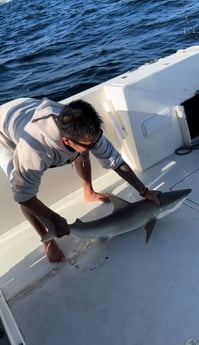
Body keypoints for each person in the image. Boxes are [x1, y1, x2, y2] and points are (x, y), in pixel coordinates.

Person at [0, 97, 160, 263]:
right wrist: (55, 220)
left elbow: (116, 162)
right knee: (21, 187)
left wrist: (144, 191)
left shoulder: (86, 130)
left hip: (24, 108)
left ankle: (88, 192)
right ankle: (47, 240)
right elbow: (23, 197)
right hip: (4, 133)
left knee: (82, 151)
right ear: (66, 140)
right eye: (90, 145)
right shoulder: (33, 151)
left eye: (97, 139)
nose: (95, 145)